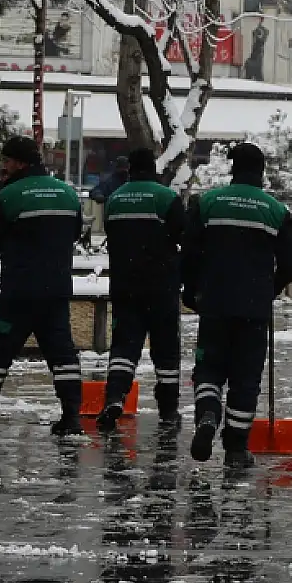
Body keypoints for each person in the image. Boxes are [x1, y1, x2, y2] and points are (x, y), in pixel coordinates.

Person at [0, 135, 85, 436]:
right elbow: (75, 233)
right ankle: (72, 416)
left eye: (8, 160)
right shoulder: (67, 193)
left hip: (19, 291)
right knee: (62, 353)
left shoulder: (8, 195)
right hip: (56, 289)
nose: (4, 166)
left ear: (21, 163)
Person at [181, 143, 292, 468]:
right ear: (261, 172)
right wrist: (269, 290)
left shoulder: (207, 203)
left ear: (233, 168)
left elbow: (189, 252)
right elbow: (290, 264)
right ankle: (236, 448)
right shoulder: (275, 211)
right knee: (246, 376)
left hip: (215, 303)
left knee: (209, 368)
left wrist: (191, 289)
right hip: (253, 309)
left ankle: (208, 415)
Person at [98, 148, 186, 432]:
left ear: (130, 169)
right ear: (153, 168)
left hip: (125, 285)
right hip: (162, 286)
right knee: (166, 350)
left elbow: (112, 234)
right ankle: (168, 411)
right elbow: (182, 236)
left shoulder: (115, 199)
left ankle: (114, 397)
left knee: (124, 346)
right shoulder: (167, 197)